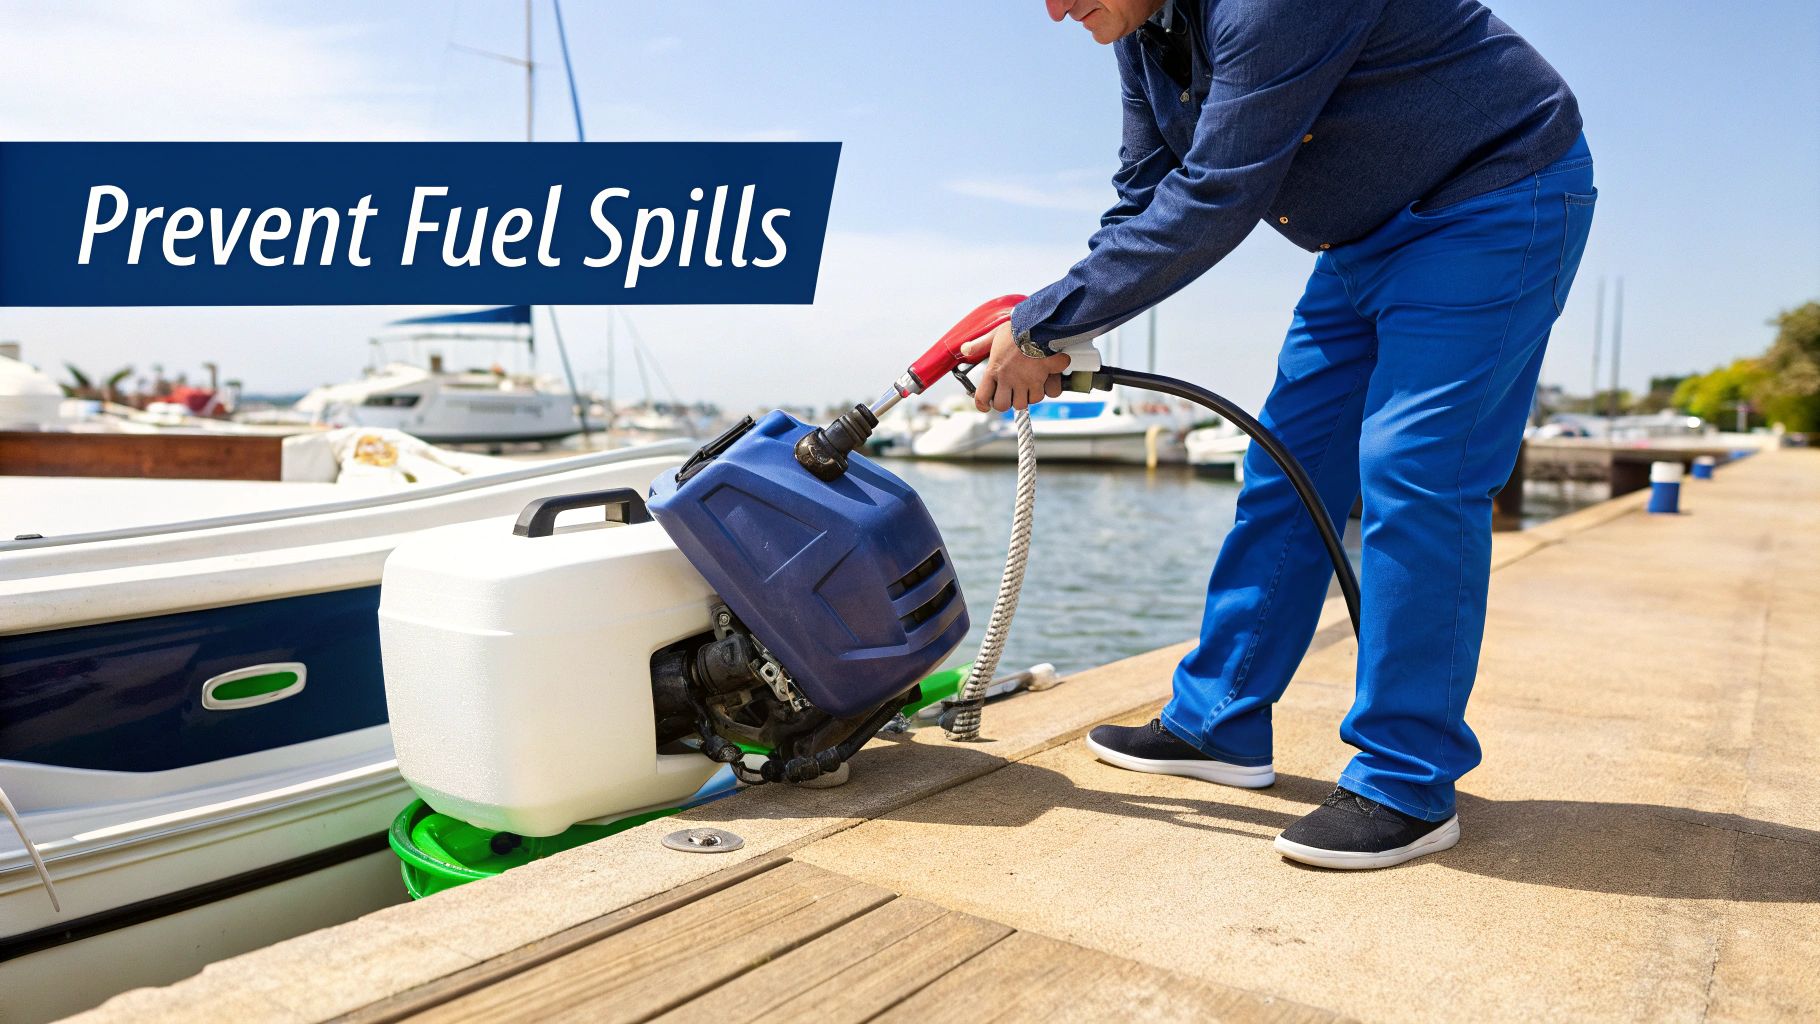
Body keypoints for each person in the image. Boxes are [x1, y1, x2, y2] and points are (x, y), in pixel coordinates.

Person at [960, 0, 1595, 868]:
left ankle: (1407, 782)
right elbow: (1146, 192)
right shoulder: (1147, 29)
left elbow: (1219, 189)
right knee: (1284, 468)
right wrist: (1055, 320)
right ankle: (1218, 723)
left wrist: (1043, 324)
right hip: (1360, 239)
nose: (1055, 6)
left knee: (1415, 472)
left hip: (1490, 194)